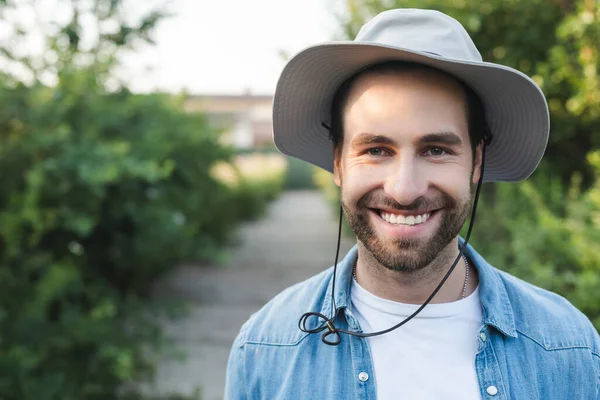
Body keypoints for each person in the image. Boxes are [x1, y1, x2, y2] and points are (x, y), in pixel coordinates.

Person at [225, 8, 600, 400]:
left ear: (477, 161)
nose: (404, 190)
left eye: (435, 150)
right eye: (376, 150)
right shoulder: (265, 351)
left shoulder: (568, 349)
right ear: (338, 162)